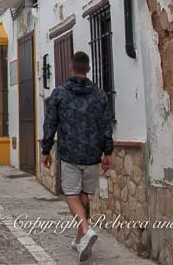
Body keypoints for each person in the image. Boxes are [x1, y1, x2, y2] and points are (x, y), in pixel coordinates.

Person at [40, 50, 113, 262]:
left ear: (71, 68)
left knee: (71, 195)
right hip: (92, 154)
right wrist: (107, 152)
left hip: (70, 153)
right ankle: (79, 240)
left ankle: (85, 229)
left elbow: (50, 123)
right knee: (83, 196)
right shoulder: (99, 95)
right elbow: (106, 125)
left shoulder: (60, 93)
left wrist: (46, 150)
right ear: (88, 70)